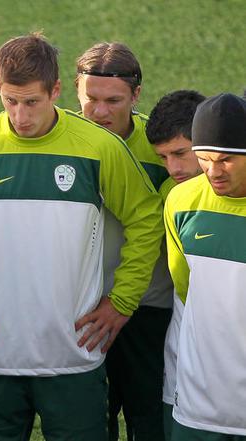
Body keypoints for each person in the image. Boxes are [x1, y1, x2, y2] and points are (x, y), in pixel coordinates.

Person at [0, 33, 164, 441]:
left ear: (55, 91)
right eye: (10, 101)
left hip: (74, 358)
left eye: (31, 102)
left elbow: (146, 218)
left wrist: (122, 300)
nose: (20, 116)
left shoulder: (100, 148)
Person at [75, 42, 172, 441]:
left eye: (113, 101)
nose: (99, 112)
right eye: (90, 99)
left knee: (148, 420)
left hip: (147, 311)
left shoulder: (161, 148)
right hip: (80, 311)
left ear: (136, 96)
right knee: (89, 422)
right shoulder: (61, 141)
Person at [164, 93, 246, 440]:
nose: (214, 171)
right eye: (204, 158)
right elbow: (185, 286)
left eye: (226, 160)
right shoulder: (181, 201)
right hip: (199, 404)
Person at [145, 89, 205, 441]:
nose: (173, 169)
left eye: (181, 153)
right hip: (183, 333)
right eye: (163, 157)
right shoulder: (172, 193)